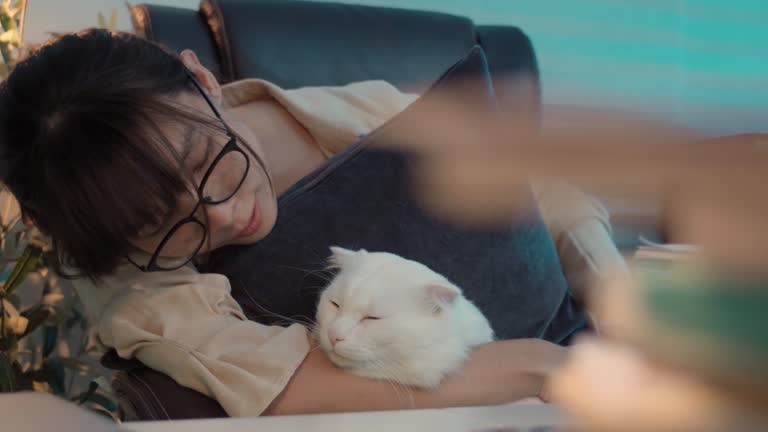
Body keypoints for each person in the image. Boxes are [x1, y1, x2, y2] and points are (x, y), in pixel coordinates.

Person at [0, 30, 624, 417]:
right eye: (169, 224)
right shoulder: (132, 282)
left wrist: (622, 299)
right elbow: (281, 384)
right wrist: (545, 367)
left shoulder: (352, 109)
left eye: (209, 163)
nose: (224, 213)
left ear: (203, 79)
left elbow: (533, 178)